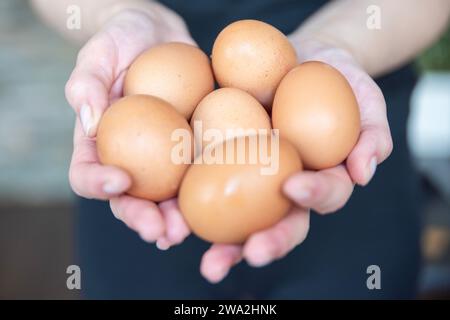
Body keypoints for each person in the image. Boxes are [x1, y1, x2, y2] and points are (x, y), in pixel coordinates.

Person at [32, 0, 450, 299]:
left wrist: (343, 43)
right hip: (143, 186)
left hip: (353, 125)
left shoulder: (308, 103)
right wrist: (117, 13)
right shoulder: (153, 120)